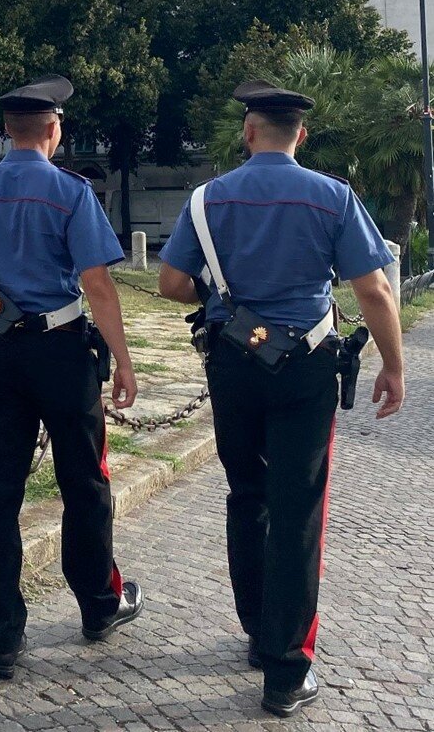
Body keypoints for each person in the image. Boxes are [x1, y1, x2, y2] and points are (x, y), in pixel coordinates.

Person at [159, 80, 405, 718]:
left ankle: (256, 630)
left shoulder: (207, 199)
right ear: (302, 134)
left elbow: (171, 283)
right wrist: (393, 365)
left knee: (247, 495)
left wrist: (219, 298)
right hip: (306, 368)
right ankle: (286, 670)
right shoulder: (332, 196)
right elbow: (374, 290)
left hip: (232, 363)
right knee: (298, 511)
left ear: (248, 132)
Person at [0, 75, 143, 681]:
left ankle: (2, 638)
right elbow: (97, 283)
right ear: (54, 130)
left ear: (7, 130)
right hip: (62, 353)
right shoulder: (71, 192)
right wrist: (123, 359)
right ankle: (99, 607)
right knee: (85, 482)